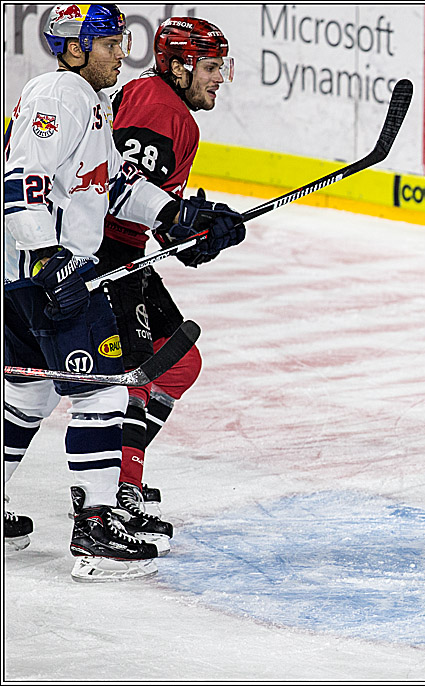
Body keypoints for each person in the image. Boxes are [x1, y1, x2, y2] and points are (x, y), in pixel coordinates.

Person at [2, 4, 244, 581]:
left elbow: (114, 187)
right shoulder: (58, 95)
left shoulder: (92, 102)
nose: (121, 52)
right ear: (76, 49)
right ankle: (95, 525)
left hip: (42, 272)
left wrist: (179, 214)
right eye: (109, 43)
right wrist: (49, 260)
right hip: (50, 272)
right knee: (102, 391)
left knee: (30, 396)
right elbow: (22, 179)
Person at [93, 16, 243, 554]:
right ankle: (112, 496)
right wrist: (181, 222)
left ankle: (123, 486)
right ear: (178, 66)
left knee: (177, 361)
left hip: (125, 252)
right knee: (133, 374)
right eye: (209, 67)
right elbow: (118, 190)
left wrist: (199, 231)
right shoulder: (157, 106)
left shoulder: (166, 105)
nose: (219, 78)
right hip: (101, 257)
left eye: (222, 67)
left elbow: (150, 201)